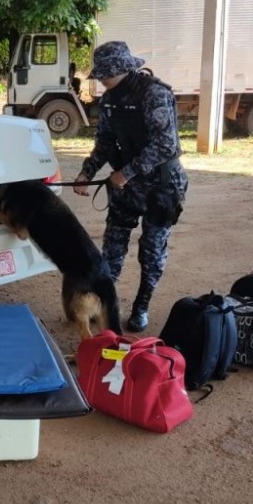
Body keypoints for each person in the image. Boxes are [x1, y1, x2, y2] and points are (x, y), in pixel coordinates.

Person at [73, 41, 188, 332]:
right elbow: (106, 142)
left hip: (161, 186)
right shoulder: (110, 99)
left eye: (104, 74)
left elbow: (166, 144)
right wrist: (87, 172)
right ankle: (105, 304)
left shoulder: (154, 94)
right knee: (112, 248)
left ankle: (141, 306)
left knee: (151, 250)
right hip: (126, 187)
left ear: (122, 69)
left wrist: (126, 172)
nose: (100, 80)